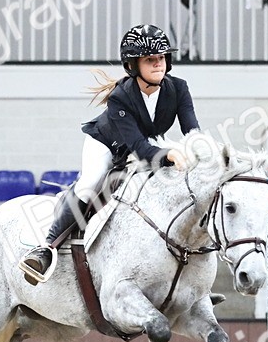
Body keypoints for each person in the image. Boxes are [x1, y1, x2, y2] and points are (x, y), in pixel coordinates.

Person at [19, 23, 201, 284]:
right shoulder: (120, 97)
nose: (158, 64)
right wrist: (171, 154)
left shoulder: (179, 88)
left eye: (161, 58)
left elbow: (193, 132)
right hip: (107, 144)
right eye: (150, 59)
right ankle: (47, 247)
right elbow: (140, 149)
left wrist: (203, 153)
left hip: (148, 145)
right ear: (132, 65)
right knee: (91, 183)